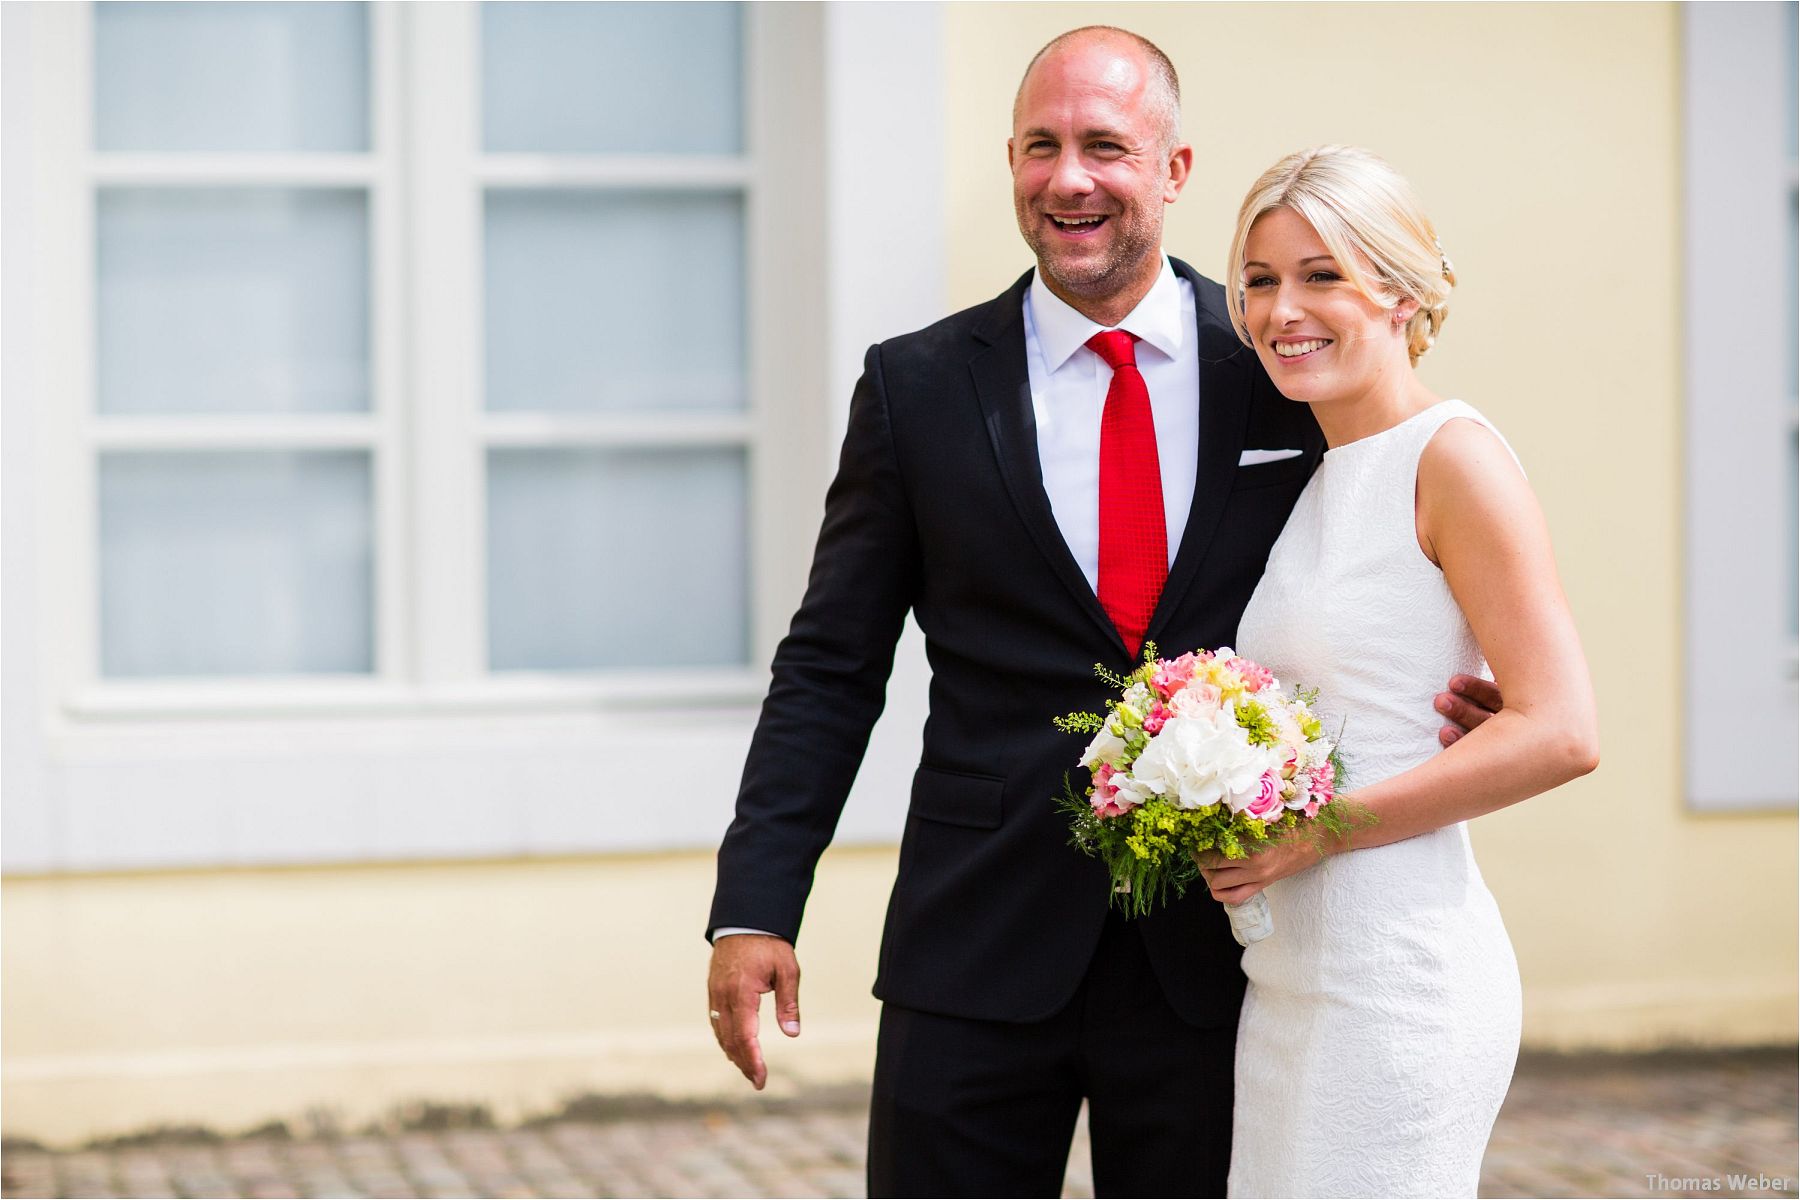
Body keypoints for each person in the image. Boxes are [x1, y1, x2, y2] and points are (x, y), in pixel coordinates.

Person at [706, 31, 1498, 1198]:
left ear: (1174, 170)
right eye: (1042, 146)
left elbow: (1390, 543)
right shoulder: (916, 386)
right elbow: (831, 664)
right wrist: (755, 905)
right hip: (972, 941)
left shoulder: (1280, 357)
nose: (1069, 178)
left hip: (1219, 948)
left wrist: (1455, 685)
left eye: (1105, 147)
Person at [1198, 145, 1600, 1198]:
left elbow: (1560, 728)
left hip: (1398, 984)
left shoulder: (1453, 456)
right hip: (1287, 983)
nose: (1284, 309)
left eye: (1321, 274)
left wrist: (1313, 835)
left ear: (1404, 292)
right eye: (1260, 281)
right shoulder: (1316, 480)